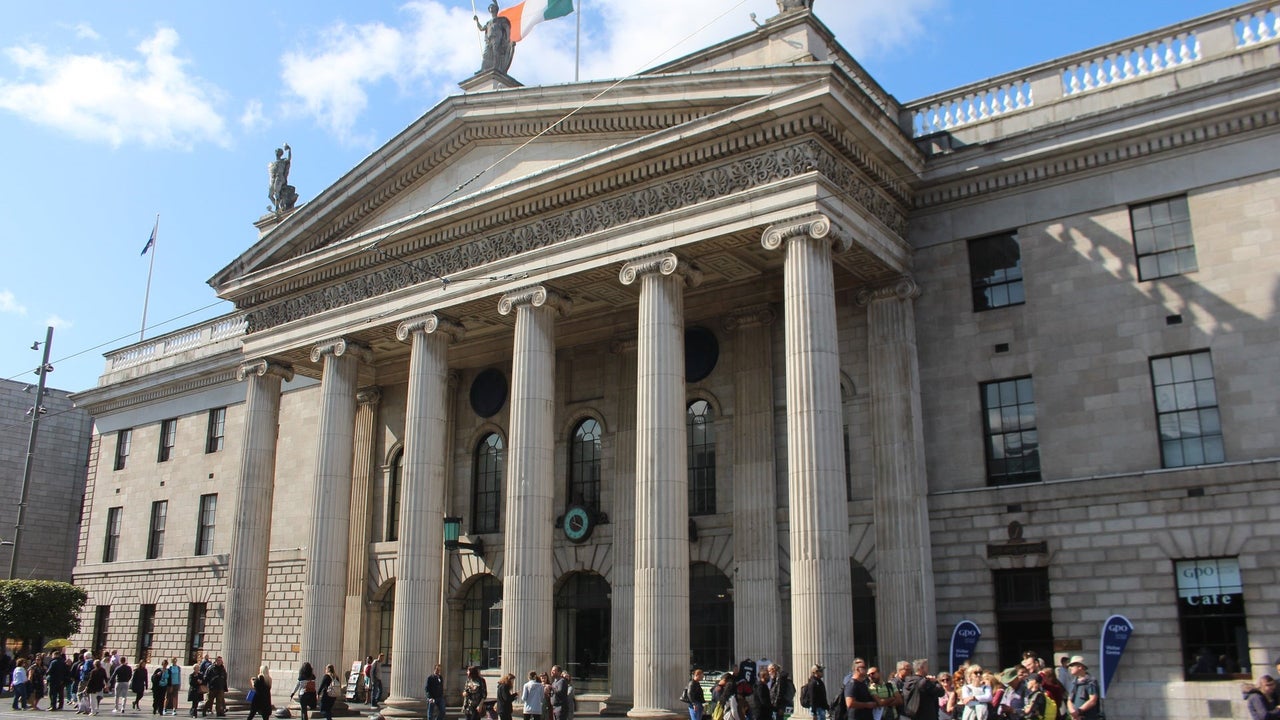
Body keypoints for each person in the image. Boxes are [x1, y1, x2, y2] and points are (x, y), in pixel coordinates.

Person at [473, 1, 515, 74]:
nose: (491, 8)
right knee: (486, 54)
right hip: (489, 40)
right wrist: (477, 21)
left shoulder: (500, 20)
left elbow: (507, 29)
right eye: (490, 8)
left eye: (492, 7)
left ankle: (496, 67)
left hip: (497, 38)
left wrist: (508, 39)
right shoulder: (488, 22)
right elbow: (481, 28)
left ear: (495, 9)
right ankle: (483, 68)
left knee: (496, 52)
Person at [268, 145, 295, 213]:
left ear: (281, 153)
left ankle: (277, 208)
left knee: (276, 192)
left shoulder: (283, 161)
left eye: (279, 151)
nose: (277, 152)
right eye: (277, 151)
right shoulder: (273, 163)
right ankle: (279, 207)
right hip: (273, 178)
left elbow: (289, 159)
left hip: (279, 177)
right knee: (270, 195)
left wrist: (289, 150)